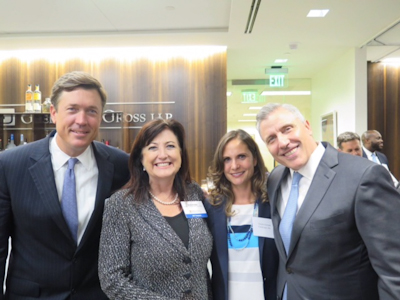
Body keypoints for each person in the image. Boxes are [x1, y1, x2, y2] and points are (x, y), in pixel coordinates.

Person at [0, 71, 130, 299]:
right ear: (53, 112)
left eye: (92, 111)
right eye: (72, 109)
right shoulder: (10, 165)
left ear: (100, 117)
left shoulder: (122, 166)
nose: (82, 120)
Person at [256, 103, 400, 300]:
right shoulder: (275, 179)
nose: (282, 142)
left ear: (307, 126)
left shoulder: (363, 176)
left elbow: (394, 269)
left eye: (287, 129)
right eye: (271, 139)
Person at [99, 118, 212, 299]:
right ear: (140, 159)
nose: (163, 154)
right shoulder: (120, 205)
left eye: (170, 146)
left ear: (181, 154)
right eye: (153, 147)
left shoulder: (194, 194)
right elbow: (112, 279)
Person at [204, 129, 278, 300]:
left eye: (241, 157)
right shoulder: (211, 207)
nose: (234, 166)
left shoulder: (272, 203)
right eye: (227, 159)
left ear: (255, 159)